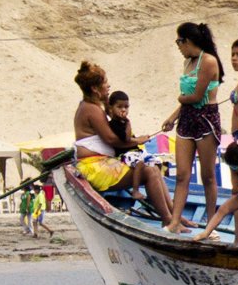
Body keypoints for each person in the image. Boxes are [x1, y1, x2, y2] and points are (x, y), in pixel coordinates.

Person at [72, 62, 179, 225]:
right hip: (94, 167)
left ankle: (173, 214)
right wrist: (138, 140)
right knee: (149, 172)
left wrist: (106, 97)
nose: (108, 85)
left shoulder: (95, 105)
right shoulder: (91, 109)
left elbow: (111, 110)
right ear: (95, 88)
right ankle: (168, 221)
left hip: (103, 163)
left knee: (154, 168)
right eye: (105, 82)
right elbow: (112, 139)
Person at [161, 22, 226, 233]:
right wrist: (173, 116)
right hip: (187, 118)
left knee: (208, 176)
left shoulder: (208, 61)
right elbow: (187, 101)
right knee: (182, 174)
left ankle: (210, 223)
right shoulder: (188, 63)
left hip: (205, 118)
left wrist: (181, 97)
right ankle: (175, 221)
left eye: (179, 42)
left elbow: (196, 96)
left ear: (187, 41)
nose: (178, 47)